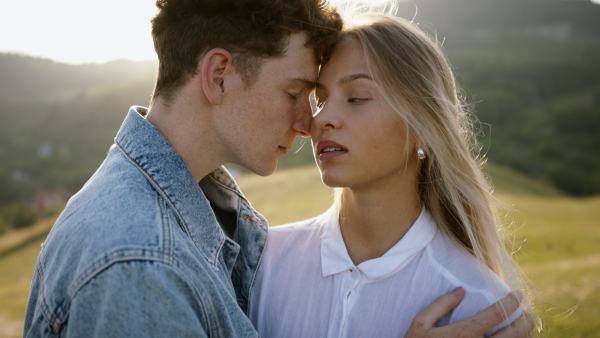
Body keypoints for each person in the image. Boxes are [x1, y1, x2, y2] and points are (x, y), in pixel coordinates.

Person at [23, 0, 532, 337]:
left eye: (353, 97)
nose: (311, 121)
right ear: (219, 75)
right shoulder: (143, 263)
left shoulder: (229, 236)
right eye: (298, 93)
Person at [249, 12, 537, 337]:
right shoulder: (259, 261)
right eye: (320, 99)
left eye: (357, 97)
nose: (322, 118)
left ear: (423, 127)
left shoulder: (479, 307)